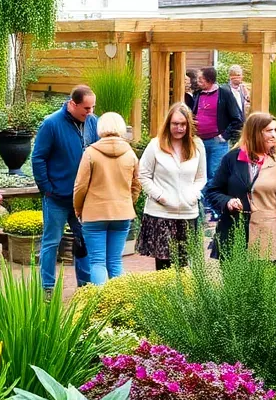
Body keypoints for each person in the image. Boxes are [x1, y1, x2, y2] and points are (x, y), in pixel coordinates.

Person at [205, 111, 276, 262]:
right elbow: (213, 191)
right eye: (268, 130)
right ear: (254, 132)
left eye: (275, 130)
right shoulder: (232, 159)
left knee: (267, 277)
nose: (274, 135)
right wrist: (228, 202)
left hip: (268, 236)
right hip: (234, 233)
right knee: (234, 277)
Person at [30, 85, 98, 292]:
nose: (90, 112)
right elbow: (38, 158)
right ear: (72, 104)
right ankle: (47, 288)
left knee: (84, 240)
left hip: (83, 198)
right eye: (86, 108)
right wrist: (47, 188)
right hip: (57, 197)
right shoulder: (51, 124)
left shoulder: (93, 123)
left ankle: (85, 287)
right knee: (51, 242)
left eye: (93, 107)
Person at [73, 112, 141, 285]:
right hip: (122, 213)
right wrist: (128, 202)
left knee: (97, 262)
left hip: (94, 214)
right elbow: (137, 185)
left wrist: (78, 208)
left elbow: (80, 186)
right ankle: (118, 299)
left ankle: (99, 300)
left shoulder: (90, 153)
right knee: (115, 261)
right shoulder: (130, 154)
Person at [137, 103, 207, 270]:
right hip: (161, 213)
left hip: (187, 213)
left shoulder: (197, 146)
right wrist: (160, 196)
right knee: (164, 266)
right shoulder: (155, 145)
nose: (179, 128)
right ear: (168, 123)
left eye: (183, 124)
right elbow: (143, 175)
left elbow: (201, 177)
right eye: (175, 124)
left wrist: (193, 195)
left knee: (184, 265)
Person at [191, 66, 244, 218]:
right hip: (199, 142)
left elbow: (237, 118)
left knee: (215, 174)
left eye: (201, 79)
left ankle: (214, 208)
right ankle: (202, 208)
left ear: (209, 80)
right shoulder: (198, 94)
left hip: (216, 143)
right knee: (199, 174)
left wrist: (224, 136)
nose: (198, 81)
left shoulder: (224, 93)